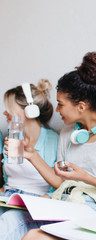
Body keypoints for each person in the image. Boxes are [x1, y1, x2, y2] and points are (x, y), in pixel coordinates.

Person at [3, 52, 96, 240]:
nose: (57, 110)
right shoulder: (68, 132)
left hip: (94, 207)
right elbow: (60, 183)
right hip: (64, 202)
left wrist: (86, 178)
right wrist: (31, 155)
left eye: (61, 104)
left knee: (33, 236)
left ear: (82, 106)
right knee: (10, 220)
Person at [0, 79, 59, 216]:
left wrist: (40, 202)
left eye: (9, 108)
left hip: (35, 203)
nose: (5, 113)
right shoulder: (11, 138)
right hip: (8, 198)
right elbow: (7, 182)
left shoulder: (52, 140)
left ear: (29, 111)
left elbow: (58, 187)